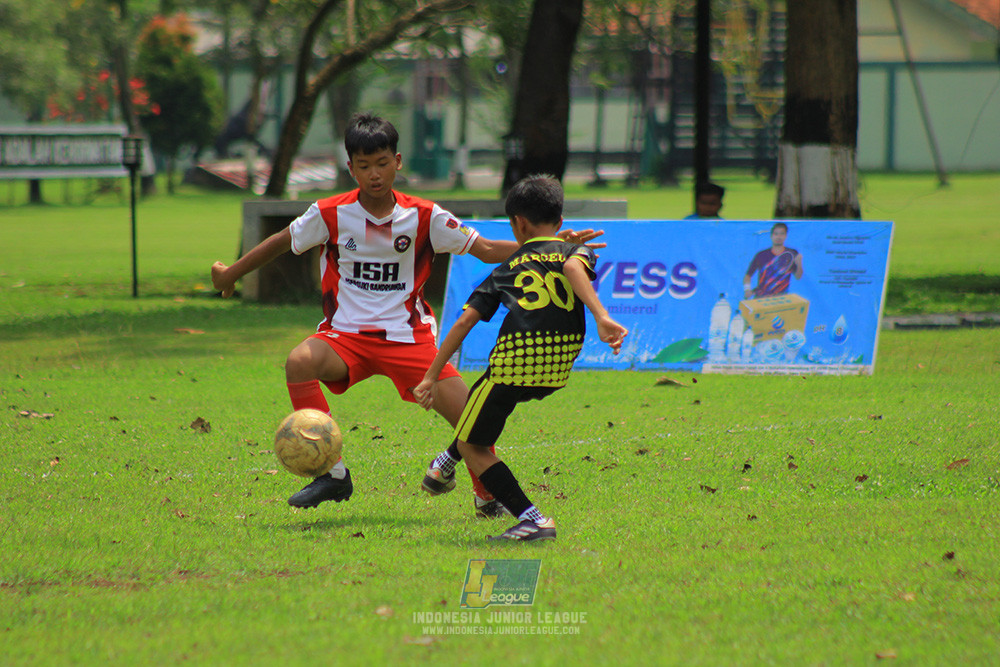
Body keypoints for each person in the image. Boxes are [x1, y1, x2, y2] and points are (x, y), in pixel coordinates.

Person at [211, 113, 604, 515]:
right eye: (363, 166)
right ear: (351, 168)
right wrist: (231, 274)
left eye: (382, 163)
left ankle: (487, 495)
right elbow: (281, 242)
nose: (374, 174)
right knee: (299, 362)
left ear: (398, 161)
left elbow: (485, 249)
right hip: (345, 338)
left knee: (470, 419)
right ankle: (333, 474)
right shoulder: (330, 213)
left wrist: (548, 245)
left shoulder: (424, 216)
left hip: (409, 339)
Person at [413, 175, 628, 542]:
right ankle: (443, 466)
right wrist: (600, 315)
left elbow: (465, 321)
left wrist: (432, 375)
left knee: (472, 442)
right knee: (482, 400)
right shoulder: (577, 250)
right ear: (559, 222)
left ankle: (532, 518)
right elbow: (573, 268)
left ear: (519, 224)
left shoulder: (505, 267)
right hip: (558, 365)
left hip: (516, 363)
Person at [743, 222, 804, 299]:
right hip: (761, 298)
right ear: (771, 236)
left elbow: (798, 277)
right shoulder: (761, 255)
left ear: (786, 236)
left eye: (782, 234)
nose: (779, 237)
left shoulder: (792, 253)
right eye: (776, 234)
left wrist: (799, 263)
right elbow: (748, 275)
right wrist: (747, 290)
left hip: (781, 299)